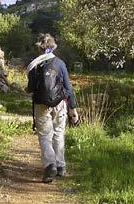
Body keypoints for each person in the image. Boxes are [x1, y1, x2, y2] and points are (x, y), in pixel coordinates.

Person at [27, 33, 79, 183]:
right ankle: (61, 166)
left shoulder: (34, 64)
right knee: (58, 133)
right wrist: (73, 109)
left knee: (45, 135)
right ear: (53, 47)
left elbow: (31, 88)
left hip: (40, 104)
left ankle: (50, 165)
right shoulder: (60, 63)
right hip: (60, 103)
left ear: (40, 47)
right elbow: (68, 87)